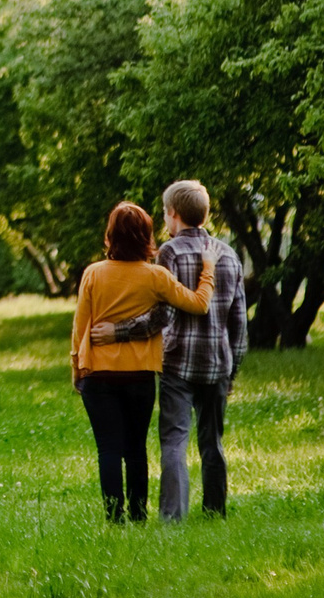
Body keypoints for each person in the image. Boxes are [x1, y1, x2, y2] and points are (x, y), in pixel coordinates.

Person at [96, 179, 247, 519]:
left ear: (174, 213)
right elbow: (239, 322)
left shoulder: (170, 252)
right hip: (218, 363)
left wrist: (118, 331)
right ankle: (214, 511)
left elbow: (161, 314)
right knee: (213, 442)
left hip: (178, 362)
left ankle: (172, 517)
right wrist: (233, 369)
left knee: (175, 441)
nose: (164, 219)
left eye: (165, 213)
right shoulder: (228, 254)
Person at [69, 201, 213, 523]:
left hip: (98, 374)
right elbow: (198, 303)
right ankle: (137, 515)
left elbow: (80, 328)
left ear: (110, 235)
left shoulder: (93, 273)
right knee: (135, 448)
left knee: (108, 449)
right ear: (146, 236)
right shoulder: (155, 276)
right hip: (139, 375)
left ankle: (114, 517)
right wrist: (208, 270)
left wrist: (77, 369)